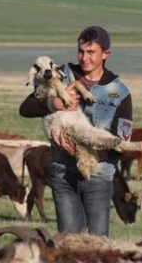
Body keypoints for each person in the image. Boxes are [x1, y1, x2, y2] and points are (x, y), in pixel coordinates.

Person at [19, 25, 133, 236]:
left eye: (91, 52)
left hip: (98, 177)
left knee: (97, 246)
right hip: (63, 175)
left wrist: (80, 153)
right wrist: (55, 103)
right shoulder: (60, 73)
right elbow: (25, 108)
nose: (84, 57)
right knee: (68, 242)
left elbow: (121, 143)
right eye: (80, 51)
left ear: (106, 54)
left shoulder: (119, 92)